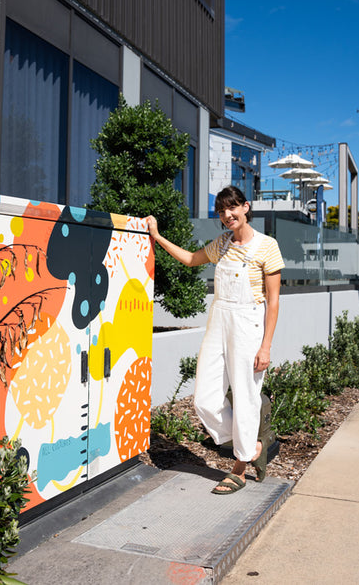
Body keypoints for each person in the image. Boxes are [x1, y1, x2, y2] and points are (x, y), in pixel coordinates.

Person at [145, 186, 283, 495]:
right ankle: (252, 446)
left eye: (232, 208)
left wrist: (266, 346)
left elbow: (273, 302)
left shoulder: (267, 246)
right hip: (219, 319)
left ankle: (239, 468)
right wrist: (157, 237)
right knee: (204, 399)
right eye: (221, 211)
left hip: (248, 322)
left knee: (247, 395)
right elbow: (191, 259)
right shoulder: (221, 243)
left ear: (246, 207)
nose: (227, 215)